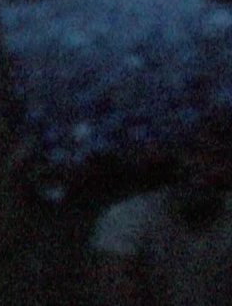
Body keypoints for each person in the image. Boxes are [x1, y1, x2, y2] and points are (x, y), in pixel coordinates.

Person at [89, 108, 232, 305]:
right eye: (196, 153)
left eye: (215, 157)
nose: (201, 166)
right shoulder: (126, 218)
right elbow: (117, 290)